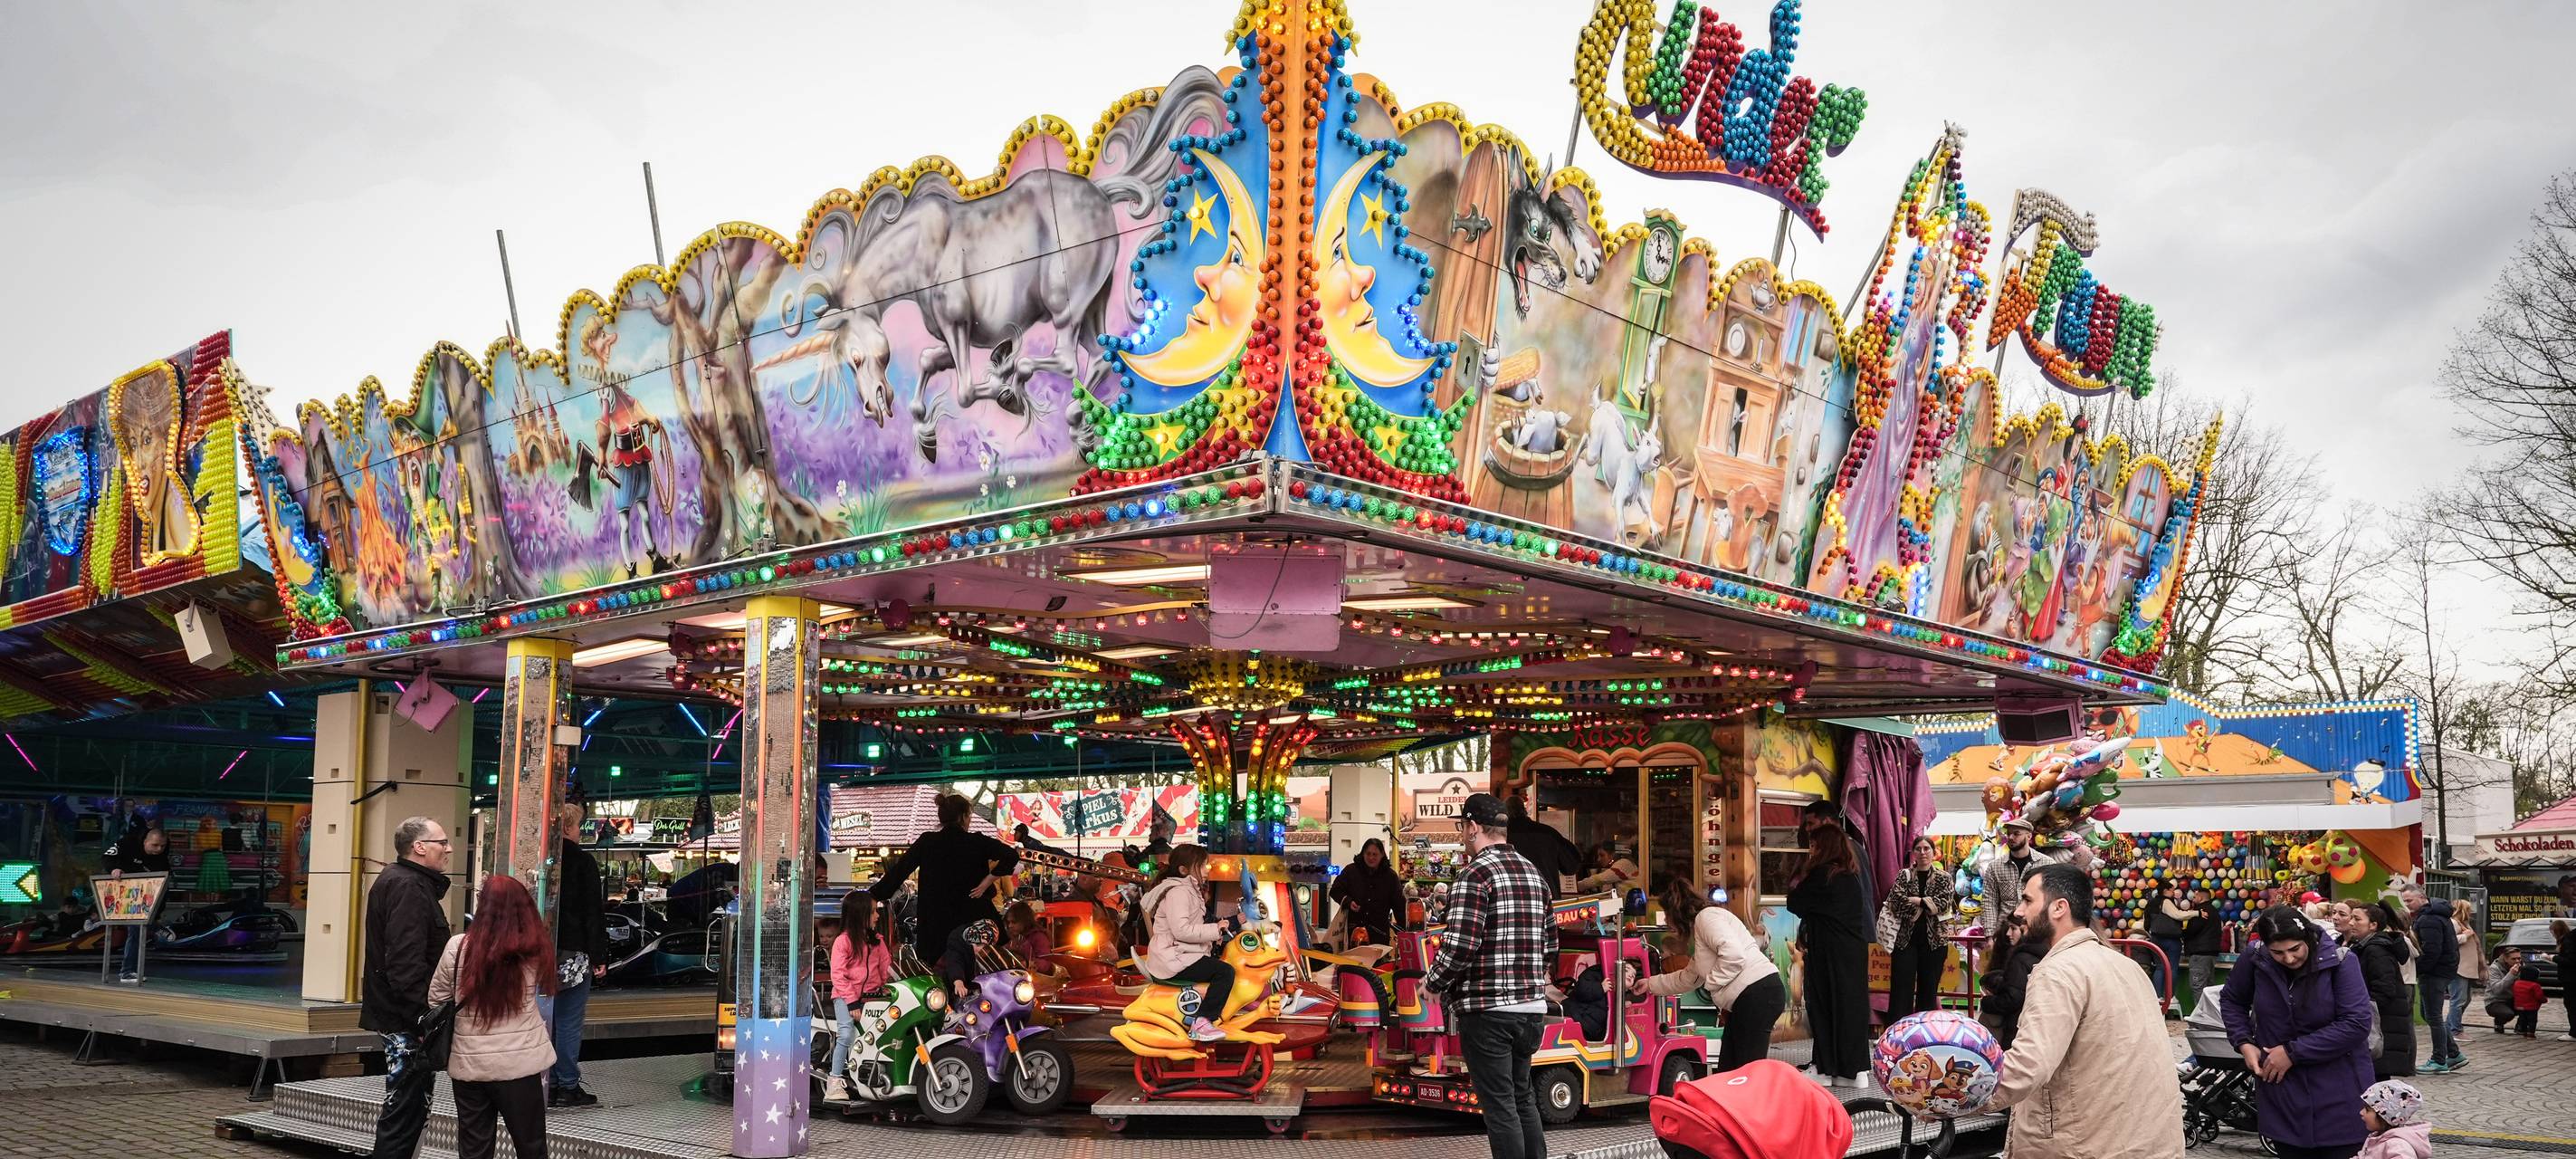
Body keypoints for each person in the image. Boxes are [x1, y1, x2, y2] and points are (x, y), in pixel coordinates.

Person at [1983, 864, 2183, 1159]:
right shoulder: (2126, 966)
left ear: (2058, 908)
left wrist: (1955, 1097)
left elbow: (2028, 1065)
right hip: (2147, 1142)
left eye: (2027, 900)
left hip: (2084, 1144)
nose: (2019, 912)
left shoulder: (2058, 971)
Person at [1420, 794, 1557, 1159]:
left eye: (1463, 827)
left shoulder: (1475, 874)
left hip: (1488, 1012)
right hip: (1531, 1011)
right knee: (1522, 1096)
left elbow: (1461, 946)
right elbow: (1551, 946)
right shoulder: (1534, 874)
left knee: (1500, 1108)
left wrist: (1432, 983)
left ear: (1473, 827)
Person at [2221, 906, 2375, 1159]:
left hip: (2340, 1087)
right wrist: (2243, 1041)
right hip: (2282, 1092)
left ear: (2308, 938)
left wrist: (2293, 1052)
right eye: (2278, 953)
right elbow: (2232, 1000)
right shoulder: (2256, 957)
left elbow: (2356, 1023)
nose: (2289, 959)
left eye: (2295, 949)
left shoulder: (2342, 960)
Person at [431, 875, 558, 1159]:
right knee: (531, 1146)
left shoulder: (458, 947)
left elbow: (436, 999)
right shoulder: (534, 950)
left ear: (482, 906)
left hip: (469, 1064)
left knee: (474, 1148)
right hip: (519, 1066)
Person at [361, 817, 454, 1159]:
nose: (448, 848)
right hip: (406, 1018)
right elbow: (405, 961)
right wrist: (423, 1018)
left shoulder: (401, 880)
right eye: (441, 842)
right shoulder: (408, 886)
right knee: (405, 1108)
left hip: (401, 1014)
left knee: (409, 1107)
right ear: (419, 847)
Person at [868, 793, 1019, 998]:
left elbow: (898, 873)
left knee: (938, 988)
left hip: (935, 926)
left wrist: (872, 896)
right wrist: (988, 880)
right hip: (973, 922)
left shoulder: (927, 841)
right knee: (985, 982)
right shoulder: (976, 841)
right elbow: (1011, 855)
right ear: (964, 816)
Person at [1634, 876, 1783, 1073]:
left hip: (1757, 995)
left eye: (1667, 916)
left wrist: (1712, 983)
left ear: (1676, 913)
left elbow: (1734, 955)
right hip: (1752, 997)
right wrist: (1650, 984)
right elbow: (1689, 976)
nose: (1668, 924)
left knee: (1745, 1073)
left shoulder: (1707, 918)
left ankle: (1750, 1104)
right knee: (1729, 1071)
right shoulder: (1703, 928)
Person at [1786, 825, 1870, 1087]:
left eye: (1814, 845)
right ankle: (1853, 1071)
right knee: (1850, 1007)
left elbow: (1795, 902)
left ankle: (1824, 1067)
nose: (1810, 850)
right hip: (1853, 952)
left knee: (1823, 1005)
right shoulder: (1851, 877)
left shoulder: (1822, 875)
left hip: (1827, 952)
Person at [1138, 845, 1245, 1042]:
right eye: (1202, 865)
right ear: (1183, 870)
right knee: (1225, 972)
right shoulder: (1178, 892)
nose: (1207, 869)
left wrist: (1221, 929)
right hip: (1173, 957)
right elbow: (1182, 930)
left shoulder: (1188, 891)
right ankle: (1202, 1021)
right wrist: (1215, 929)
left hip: (1180, 953)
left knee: (1219, 965)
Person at [543, 803, 608, 1108]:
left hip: (539, 951)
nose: (581, 832)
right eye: (579, 826)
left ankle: (546, 1082)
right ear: (569, 827)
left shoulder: (541, 860)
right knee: (569, 1021)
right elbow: (592, 914)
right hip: (574, 953)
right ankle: (567, 1084)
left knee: (546, 1018)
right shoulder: (583, 862)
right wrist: (599, 957)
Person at [1878, 835, 1955, 1022]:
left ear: (1933, 852)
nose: (1923, 853)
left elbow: (1944, 902)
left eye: (1926, 848)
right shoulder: (1903, 876)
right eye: (1919, 849)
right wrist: (1927, 906)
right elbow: (1896, 902)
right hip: (1905, 942)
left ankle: (1925, 1034)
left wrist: (1918, 900)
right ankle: (1896, 1033)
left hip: (1934, 942)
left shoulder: (1943, 877)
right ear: (1913, 853)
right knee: (1900, 991)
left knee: (1928, 991)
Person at [825, 891, 892, 1102]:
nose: (877, 916)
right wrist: (852, 1001)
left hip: (872, 997)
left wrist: (890, 988)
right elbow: (838, 975)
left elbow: (887, 970)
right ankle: (834, 1082)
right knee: (846, 1034)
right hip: (845, 997)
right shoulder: (842, 942)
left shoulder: (878, 942)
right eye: (872, 912)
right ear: (859, 914)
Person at [2344, 902, 2414, 1079]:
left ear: (2373, 925)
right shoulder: (2364, 946)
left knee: (2375, 1085)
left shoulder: (2376, 950)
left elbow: (2384, 990)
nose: (2351, 922)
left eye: (2357, 919)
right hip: (2378, 1026)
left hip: (2379, 1028)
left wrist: (2359, 1011)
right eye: (2351, 917)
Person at [2400, 889, 2462, 1073]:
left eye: (2410, 900)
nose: (2407, 904)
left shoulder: (2429, 919)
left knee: (2433, 1016)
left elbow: (2431, 951)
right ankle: (2453, 1053)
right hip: (2441, 970)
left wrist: (2417, 969)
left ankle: (2439, 1060)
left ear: (2422, 898)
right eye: (2405, 901)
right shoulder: (2435, 914)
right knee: (2430, 1015)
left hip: (2435, 972)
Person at [102, 822, 171, 982]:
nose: (158, 849)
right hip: (122, 892)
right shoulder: (127, 843)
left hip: (143, 896)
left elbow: (162, 889)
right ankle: (127, 972)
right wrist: (113, 869)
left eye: (162, 846)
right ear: (145, 841)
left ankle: (128, 971)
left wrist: (156, 914)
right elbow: (107, 857)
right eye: (154, 845)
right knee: (136, 931)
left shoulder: (162, 857)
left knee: (137, 930)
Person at [1977, 913, 2048, 1049]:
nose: (2008, 933)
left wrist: (1986, 1001)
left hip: (2015, 1030)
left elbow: (2013, 998)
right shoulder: (2041, 952)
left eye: (2013, 928)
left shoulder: (2021, 958)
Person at [1979, 818, 2056, 934]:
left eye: (2016, 834)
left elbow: (2052, 899)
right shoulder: (1995, 867)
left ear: (2029, 836)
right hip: (2005, 933)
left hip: (2035, 931)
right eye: (2008, 834)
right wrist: (1990, 935)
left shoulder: (2047, 864)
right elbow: (1989, 901)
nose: (2010, 837)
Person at [1329, 838, 1404, 946]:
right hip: (1352, 934)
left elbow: (1399, 905)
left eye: (1375, 854)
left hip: (1379, 935)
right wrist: (1348, 902)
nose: (1371, 858)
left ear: (1382, 855)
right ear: (1363, 853)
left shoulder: (1390, 877)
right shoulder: (1351, 871)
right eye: (1368, 854)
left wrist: (1405, 930)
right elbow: (1335, 890)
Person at [1504, 793, 1583, 897]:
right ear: (1524, 810)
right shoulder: (1548, 833)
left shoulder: (1499, 836)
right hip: (1547, 900)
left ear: (1504, 813)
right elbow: (1572, 866)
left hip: (1511, 900)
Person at [2144, 879, 2191, 1017]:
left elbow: (2146, 923)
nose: (2174, 893)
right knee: (2172, 968)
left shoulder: (2151, 903)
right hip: (2171, 939)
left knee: (2159, 967)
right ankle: (2170, 996)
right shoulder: (2166, 902)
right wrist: (2196, 913)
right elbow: (2178, 915)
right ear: (2166, 891)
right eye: (2172, 890)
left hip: (2156, 938)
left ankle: (2158, 996)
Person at [2358, 1079, 2430, 1159]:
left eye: (2367, 1110)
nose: (2361, 1112)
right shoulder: (2378, 1137)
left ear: (2385, 1116)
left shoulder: (2397, 1146)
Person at [2450, 898, 2484, 1049]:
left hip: (2467, 968)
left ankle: (2451, 1025)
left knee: (2466, 999)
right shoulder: (2454, 923)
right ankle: (2455, 1030)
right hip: (2459, 968)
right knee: (2459, 999)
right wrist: (2467, 935)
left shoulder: (2465, 924)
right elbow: (2450, 940)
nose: (2471, 912)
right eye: (2469, 909)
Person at [2180, 886, 2221, 1012]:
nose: (2193, 899)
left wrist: (2182, 933)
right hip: (2211, 953)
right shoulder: (2214, 911)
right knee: (2209, 988)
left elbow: (2192, 931)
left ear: (2201, 897)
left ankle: (2201, 1017)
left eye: (2195, 896)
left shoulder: (2200, 912)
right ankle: (2212, 1017)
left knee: (2198, 986)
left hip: (2199, 953)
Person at [2482, 947, 2522, 1033]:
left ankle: (2521, 1027)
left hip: (2512, 999)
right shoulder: (2494, 968)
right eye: (2514, 959)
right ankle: (2498, 1023)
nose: (2517, 961)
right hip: (2495, 1001)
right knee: (2508, 1014)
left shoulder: (2521, 966)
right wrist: (2511, 974)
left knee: (2531, 1005)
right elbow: (2497, 989)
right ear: (2506, 959)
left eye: (2519, 958)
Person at [1576, 841, 1640, 894]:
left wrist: (1577, 886)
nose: (1598, 859)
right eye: (1597, 856)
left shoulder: (1624, 863)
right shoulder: (1615, 867)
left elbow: (1601, 879)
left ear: (1612, 854)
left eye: (1602, 855)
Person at [1003, 899, 1053, 966]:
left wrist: (1028, 964)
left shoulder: (1039, 937)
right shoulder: (1012, 938)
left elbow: (1045, 963)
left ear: (1024, 920)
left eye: (1014, 922)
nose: (1010, 926)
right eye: (1008, 922)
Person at [2511, 962, 2545, 1037]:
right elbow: (2539, 996)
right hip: (2532, 1007)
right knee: (2532, 1020)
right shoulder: (2535, 985)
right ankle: (2531, 1032)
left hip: (2519, 1006)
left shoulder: (2517, 983)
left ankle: (2522, 1030)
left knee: (2522, 1019)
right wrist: (2544, 1000)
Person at [2557, 919, 2576, 1040]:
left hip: (2571, 979)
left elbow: (2571, 960)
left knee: (2571, 1004)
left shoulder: (2569, 939)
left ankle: (2574, 1033)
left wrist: (2553, 958)